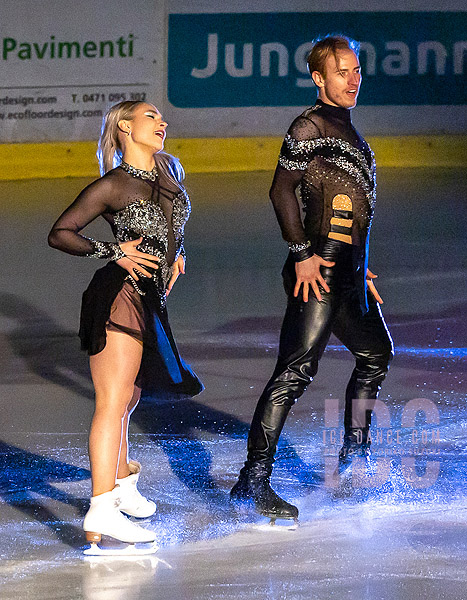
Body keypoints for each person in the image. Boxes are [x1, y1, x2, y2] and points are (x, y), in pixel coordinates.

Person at [230, 35, 394, 522]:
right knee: (294, 372)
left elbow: (351, 208)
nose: (352, 78)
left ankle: (355, 456)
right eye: (341, 71)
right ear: (319, 78)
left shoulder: (350, 132)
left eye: (356, 69)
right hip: (317, 268)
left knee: (376, 352)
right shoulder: (310, 125)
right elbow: (280, 191)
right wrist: (302, 254)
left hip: (345, 272)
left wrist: (358, 265)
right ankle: (252, 481)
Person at [48, 100, 203, 554]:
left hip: (150, 296)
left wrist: (178, 256)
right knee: (113, 401)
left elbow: (171, 228)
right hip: (118, 294)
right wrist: (112, 251)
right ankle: (101, 507)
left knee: (130, 396)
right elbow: (61, 232)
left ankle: (119, 484)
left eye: (162, 118)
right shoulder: (114, 184)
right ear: (125, 128)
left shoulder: (168, 171)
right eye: (151, 117)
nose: (163, 123)